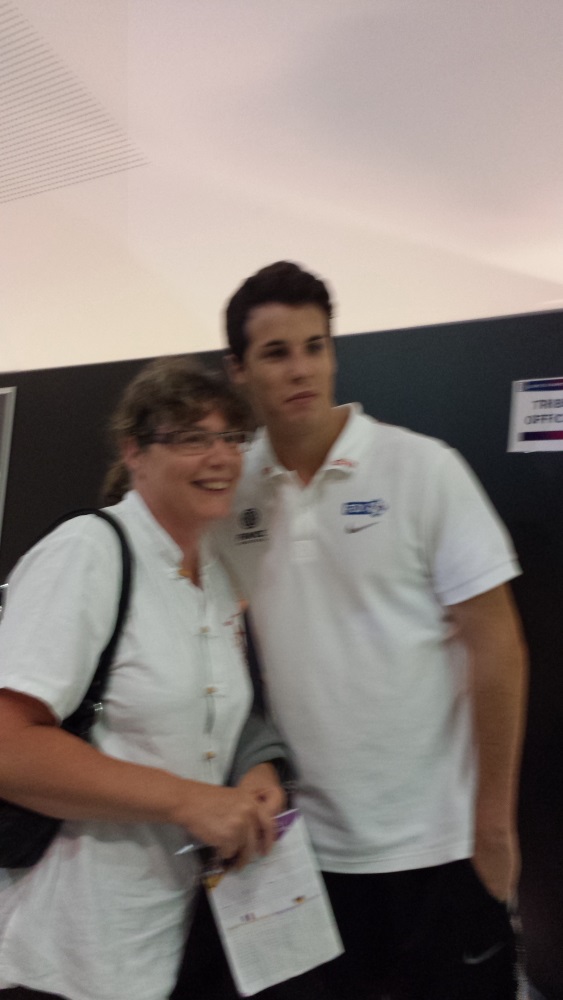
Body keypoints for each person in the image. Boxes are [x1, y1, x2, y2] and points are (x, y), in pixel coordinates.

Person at [214, 261, 529, 999]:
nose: (302, 369)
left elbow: (498, 647)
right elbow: (218, 657)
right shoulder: (228, 494)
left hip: (437, 845)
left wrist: (492, 825)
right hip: (302, 854)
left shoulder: (422, 469)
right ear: (237, 371)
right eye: (276, 352)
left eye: (315, 345)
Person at [0, 357, 287, 1000]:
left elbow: (212, 714)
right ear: (135, 451)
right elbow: (8, 746)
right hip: (66, 953)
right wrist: (190, 801)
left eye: (230, 438)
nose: (219, 456)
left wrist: (253, 773)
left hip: (169, 942)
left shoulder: (213, 574)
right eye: (191, 438)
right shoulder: (89, 553)